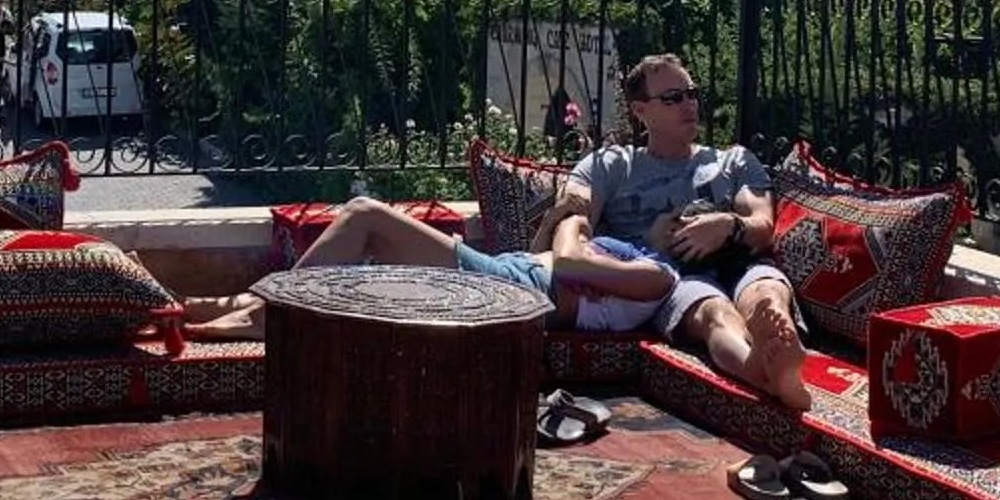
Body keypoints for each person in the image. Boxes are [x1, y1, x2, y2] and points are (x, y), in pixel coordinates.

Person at [548, 52, 810, 404]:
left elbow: (762, 225)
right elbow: (574, 215)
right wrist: (602, 266)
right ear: (641, 111)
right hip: (673, 278)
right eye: (673, 98)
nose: (688, 104)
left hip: (738, 258)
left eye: (691, 93)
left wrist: (727, 225)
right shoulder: (613, 165)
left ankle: (777, 338)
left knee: (767, 291)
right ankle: (761, 370)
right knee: (713, 312)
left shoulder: (734, 161)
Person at [177, 198, 672, 341]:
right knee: (359, 251)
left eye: (684, 217)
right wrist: (570, 231)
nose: (677, 213)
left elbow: (564, 259)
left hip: (513, 292)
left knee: (364, 215)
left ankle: (271, 313)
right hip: (508, 271)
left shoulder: (658, 276)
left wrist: (578, 223)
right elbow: (550, 248)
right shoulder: (624, 251)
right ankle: (252, 303)